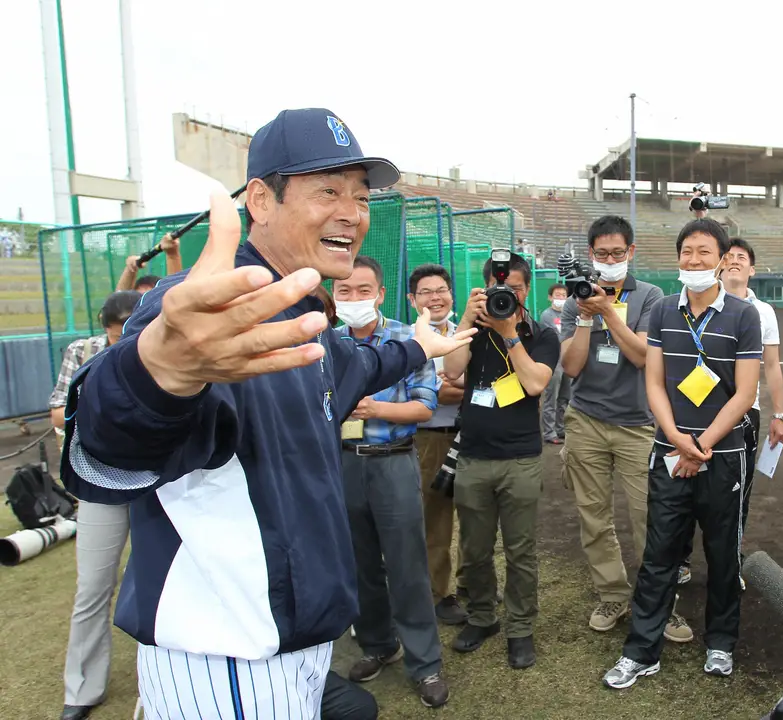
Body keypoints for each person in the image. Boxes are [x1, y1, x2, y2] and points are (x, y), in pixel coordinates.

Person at [57, 108, 474, 718]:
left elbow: (359, 364)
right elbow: (105, 449)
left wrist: (420, 346)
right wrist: (156, 376)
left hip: (294, 643)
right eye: (327, 191)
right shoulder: (211, 309)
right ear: (260, 200)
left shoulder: (303, 312)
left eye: (361, 196)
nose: (353, 213)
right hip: (226, 656)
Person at [603, 217, 761, 688]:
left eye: (704, 252)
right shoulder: (663, 312)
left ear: (722, 259)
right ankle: (641, 651)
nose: (694, 260)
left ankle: (720, 642)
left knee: (722, 554)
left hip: (723, 455)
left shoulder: (744, 315)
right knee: (659, 555)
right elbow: (654, 381)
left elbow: (745, 393)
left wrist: (702, 444)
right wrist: (676, 438)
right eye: (686, 251)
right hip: (670, 453)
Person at [556, 215, 685, 639]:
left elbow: (643, 356)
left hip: (638, 424)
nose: (609, 261)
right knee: (593, 517)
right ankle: (611, 593)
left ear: (631, 251)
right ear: (590, 254)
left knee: (650, 517)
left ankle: (659, 603)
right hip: (586, 421)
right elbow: (571, 367)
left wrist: (608, 312)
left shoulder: (651, 296)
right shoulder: (575, 302)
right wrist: (586, 317)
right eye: (601, 254)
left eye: (616, 253)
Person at [332, 255, 449, 707]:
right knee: (359, 563)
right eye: (344, 291)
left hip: (393, 461)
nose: (354, 298)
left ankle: (425, 663)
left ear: (380, 294)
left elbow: (424, 406)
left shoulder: (407, 339)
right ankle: (378, 644)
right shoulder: (326, 341)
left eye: (364, 290)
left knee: (406, 565)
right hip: (343, 463)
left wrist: (373, 408)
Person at [442, 252, 560, 669]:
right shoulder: (472, 329)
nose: (506, 296)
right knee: (474, 549)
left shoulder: (542, 334)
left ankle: (520, 628)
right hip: (473, 456)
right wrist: (465, 320)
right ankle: (482, 617)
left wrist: (510, 334)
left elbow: (534, 383)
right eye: (498, 289)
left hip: (520, 459)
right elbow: (452, 371)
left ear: (527, 291)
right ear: (485, 289)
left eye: (516, 289)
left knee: (520, 550)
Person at [49, 290, 140, 720]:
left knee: (162, 581)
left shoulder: (165, 345)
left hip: (157, 481)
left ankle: (169, 680)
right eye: (119, 332)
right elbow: (58, 411)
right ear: (105, 327)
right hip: (99, 479)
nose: (127, 338)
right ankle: (81, 689)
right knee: (92, 587)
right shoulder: (83, 352)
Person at [677, 237, 783, 587]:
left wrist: (779, 415)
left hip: (743, 412)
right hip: (693, 409)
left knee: (735, 492)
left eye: (744, 257)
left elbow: (772, 366)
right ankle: (680, 559)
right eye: (731, 256)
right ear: (721, 263)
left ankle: (729, 562)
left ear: (752, 269)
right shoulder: (692, 303)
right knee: (682, 483)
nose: (736, 260)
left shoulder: (763, 312)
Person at [409, 264, 469, 626]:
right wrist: (464, 388)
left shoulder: (465, 332)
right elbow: (435, 394)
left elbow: (483, 383)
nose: (435, 298)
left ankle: (470, 583)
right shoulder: (409, 339)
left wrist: (456, 385)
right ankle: (439, 593)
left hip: (470, 435)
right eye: (426, 292)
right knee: (436, 519)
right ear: (412, 300)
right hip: (430, 438)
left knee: (475, 514)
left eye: (441, 290)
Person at [539, 283, 570, 444]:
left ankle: (561, 428)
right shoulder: (547, 315)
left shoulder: (569, 314)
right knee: (552, 397)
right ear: (550, 297)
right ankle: (549, 432)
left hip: (567, 360)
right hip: (554, 361)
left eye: (564, 295)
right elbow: (557, 338)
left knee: (565, 397)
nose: (561, 298)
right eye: (558, 295)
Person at [116, 233, 183, 292]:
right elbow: (120, 298)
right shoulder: (133, 301)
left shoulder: (166, 300)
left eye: (151, 295)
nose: (146, 299)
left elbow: (174, 293)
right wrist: (129, 271)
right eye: (141, 296)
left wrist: (173, 256)